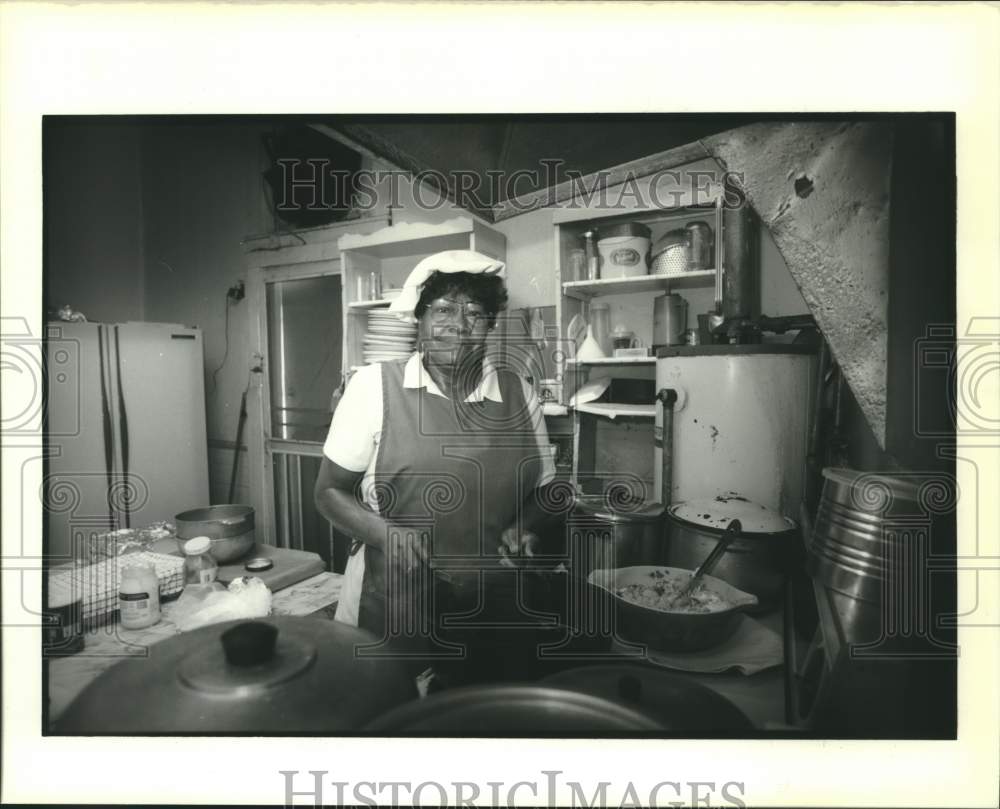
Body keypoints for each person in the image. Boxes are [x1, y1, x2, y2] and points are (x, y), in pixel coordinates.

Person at [314, 250, 560, 682]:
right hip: (396, 593)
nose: (459, 326)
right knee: (394, 710)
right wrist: (383, 532)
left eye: (475, 313)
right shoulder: (374, 387)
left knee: (479, 712)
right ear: (420, 320)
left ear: (491, 324)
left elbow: (546, 490)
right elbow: (329, 491)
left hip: (493, 598)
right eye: (443, 310)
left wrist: (526, 525)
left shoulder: (520, 392)